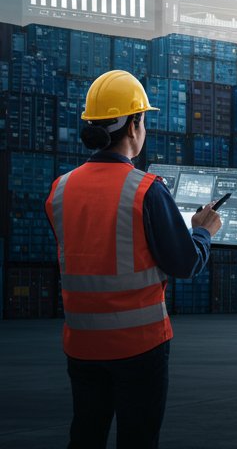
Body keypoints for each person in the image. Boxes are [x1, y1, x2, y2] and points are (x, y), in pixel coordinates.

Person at [45, 69, 222, 449]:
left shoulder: (60, 189)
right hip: (138, 347)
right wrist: (203, 231)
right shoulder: (146, 190)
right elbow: (185, 263)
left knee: (85, 435)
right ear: (134, 125)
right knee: (138, 439)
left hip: (82, 345)